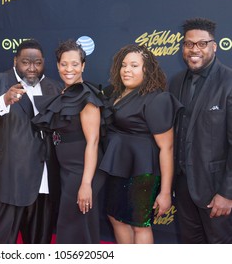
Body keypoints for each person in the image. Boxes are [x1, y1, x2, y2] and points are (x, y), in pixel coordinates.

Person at [0, 39, 61, 244]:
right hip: (6, 178)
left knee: (40, 241)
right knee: (0, 242)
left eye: (37, 63)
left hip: (43, 176)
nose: (31, 68)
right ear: (15, 61)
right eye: (25, 62)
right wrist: (3, 100)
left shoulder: (55, 87)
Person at [99, 44, 182, 244]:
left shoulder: (157, 99)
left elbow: (166, 148)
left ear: (147, 69)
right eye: (124, 65)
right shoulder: (114, 93)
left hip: (143, 172)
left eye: (134, 65)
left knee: (139, 224)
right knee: (115, 217)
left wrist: (164, 192)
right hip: (117, 168)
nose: (127, 70)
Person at [32, 39, 107, 243]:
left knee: (73, 228)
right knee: (77, 226)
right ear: (57, 66)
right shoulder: (64, 94)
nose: (69, 69)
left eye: (75, 64)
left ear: (83, 66)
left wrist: (86, 183)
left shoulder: (87, 97)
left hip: (82, 171)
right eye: (64, 64)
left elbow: (93, 142)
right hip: (67, 170)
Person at [169, 18, 232, 243]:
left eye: (202, 44)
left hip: (216, 190)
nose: (195, 49)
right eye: (189, 44)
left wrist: (227, 193)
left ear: (214, 46)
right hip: (184, 187)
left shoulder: (229, 82)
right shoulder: (175, 82)